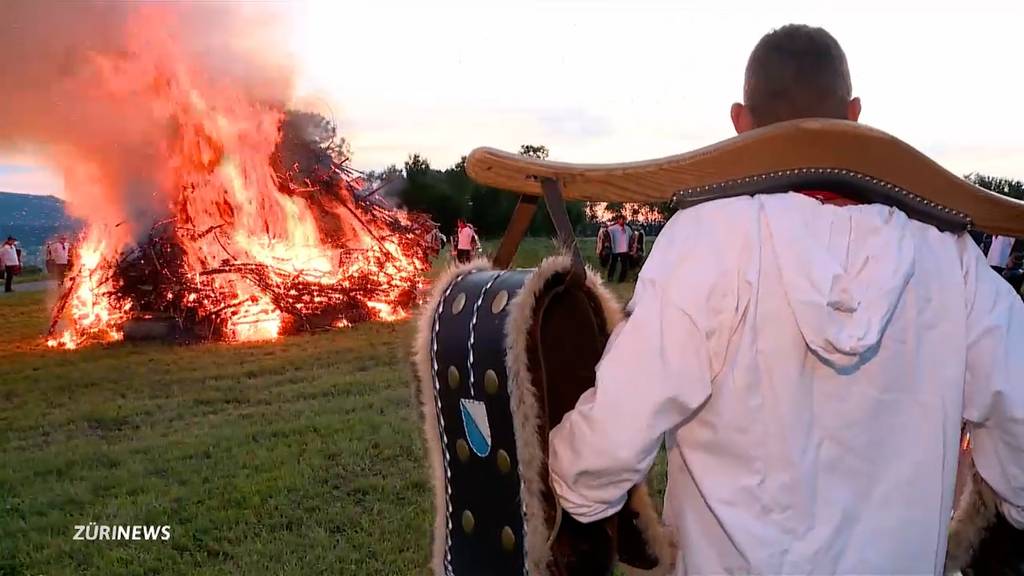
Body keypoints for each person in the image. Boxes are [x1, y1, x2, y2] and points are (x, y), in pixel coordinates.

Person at [548, 24, 1024, 575]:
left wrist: (571, 486)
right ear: (853, 116)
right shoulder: (954, 258)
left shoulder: (709, 239)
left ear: (740, 123)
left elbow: (615, 428)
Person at [604, 215, 631, 283]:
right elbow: (606, 232)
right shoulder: (613, 228)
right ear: (618, 220)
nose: (623, 221)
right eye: (621, 219)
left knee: (624, 266)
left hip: (624, 250)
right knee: (613, 264)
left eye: (624, 220)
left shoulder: (627, 229)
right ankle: (610, 277)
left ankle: (621, 280)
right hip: (616, 249)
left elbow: (631, 236)